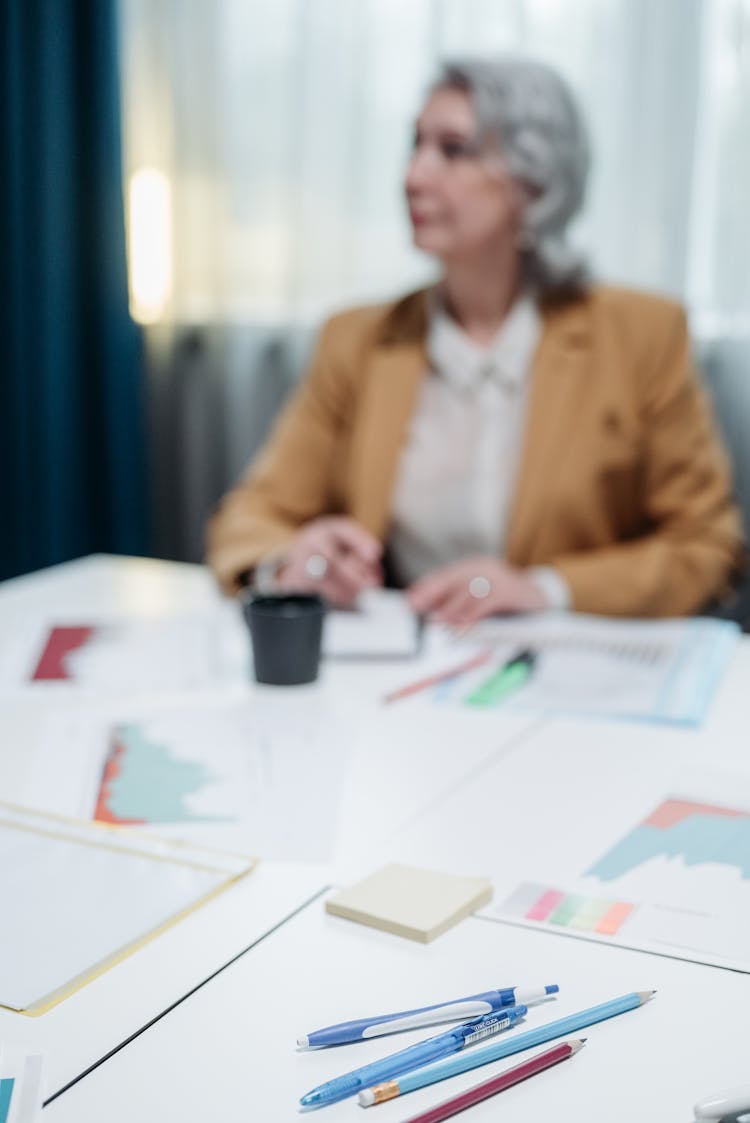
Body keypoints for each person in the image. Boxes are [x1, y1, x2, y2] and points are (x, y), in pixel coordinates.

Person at [206, 56, 743, 624]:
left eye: (453, 150)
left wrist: (545, 589)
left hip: (572, 674)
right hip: (405, 667)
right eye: (415, 145)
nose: (413, 176)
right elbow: (251, 515)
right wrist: (291, 562)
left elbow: (706, 547)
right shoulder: (359, 341)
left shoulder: (641, 336)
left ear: (532, 182)